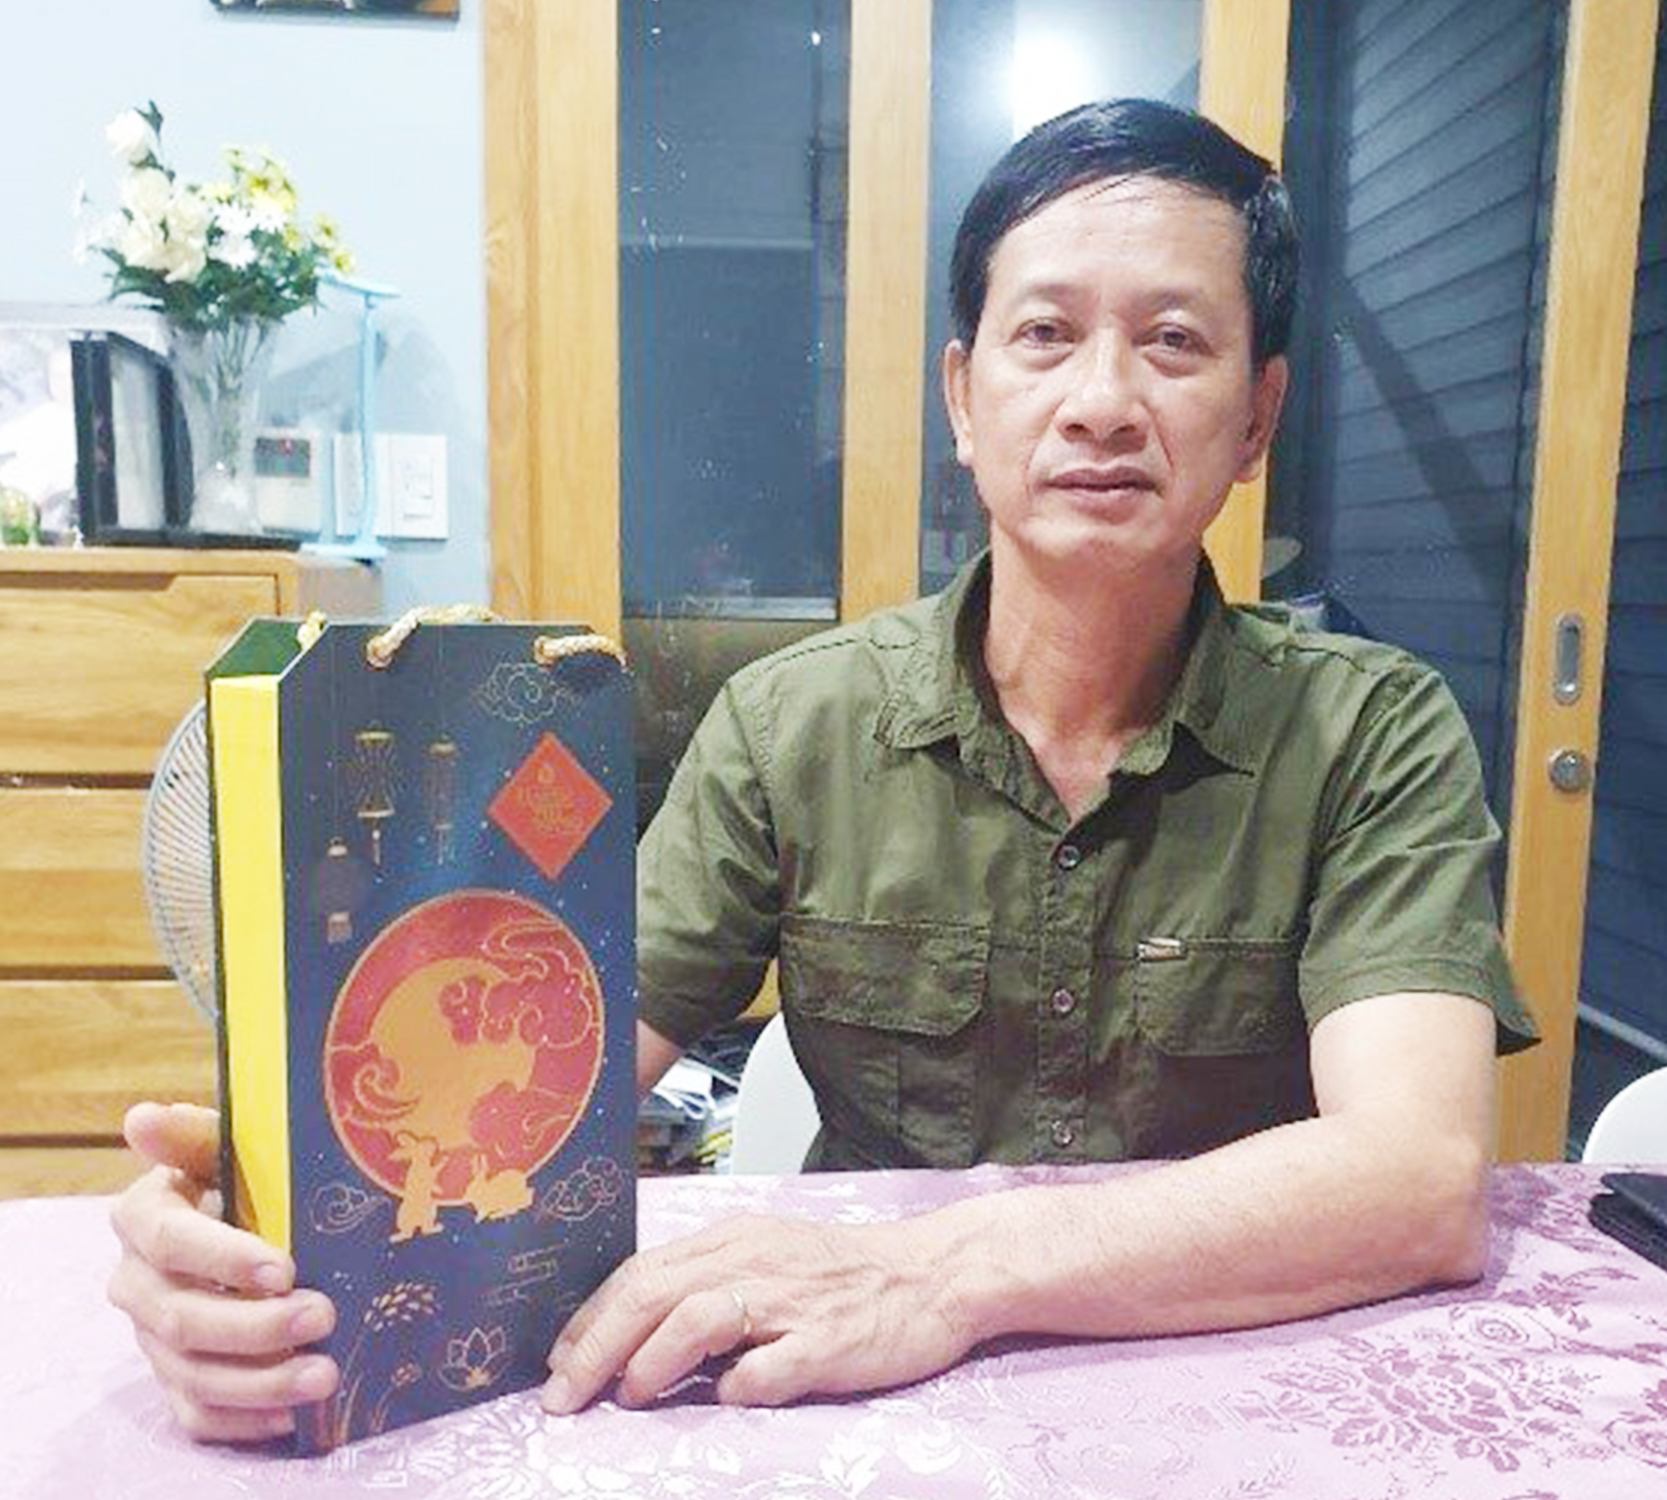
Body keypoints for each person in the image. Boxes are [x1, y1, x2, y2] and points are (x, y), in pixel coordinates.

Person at [108, 99, 1537, 1441]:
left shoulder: (1375, 733)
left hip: (1239, 1397)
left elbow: (1413, 1181)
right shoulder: (790, 727)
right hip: (856, 1413)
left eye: (1173, 342)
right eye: (1045, 335)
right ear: (964, 397)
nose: (1103, 401)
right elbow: (544, 1090)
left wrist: (945, 1273)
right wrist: (274, 1247)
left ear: (1259, 416)